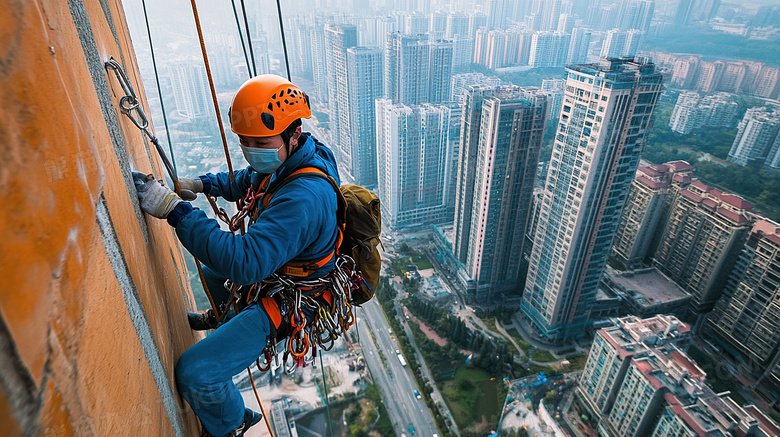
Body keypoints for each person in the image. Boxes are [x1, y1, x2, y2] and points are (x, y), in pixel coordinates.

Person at [132, 74, 340, 437]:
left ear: (294, 134)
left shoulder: (303, 197)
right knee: (213, 271)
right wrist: (203, 185)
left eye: (260, 142)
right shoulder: (295, 157)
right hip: (282, 275)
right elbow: (250, 178)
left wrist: (175, 211)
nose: (250, 149)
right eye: (245, 142)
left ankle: (231, 423)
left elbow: (244, 264)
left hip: (292, 301)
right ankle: (223, 317)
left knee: (196, 373)